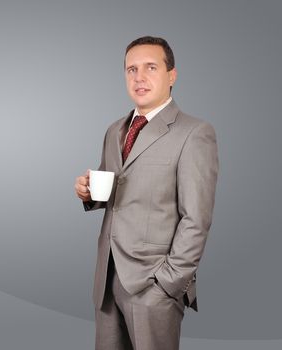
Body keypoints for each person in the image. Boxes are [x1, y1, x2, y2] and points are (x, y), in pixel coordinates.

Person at [74, 36, 218, 350]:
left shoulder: (194, 133)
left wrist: (169, 282)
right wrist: (89, 194)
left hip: (154, 285)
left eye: (150, 67)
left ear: (172, 75)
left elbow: (196, 219)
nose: (139, 77)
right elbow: (115, 191)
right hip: (108, 282)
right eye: (131, 69)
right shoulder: (115, 130)